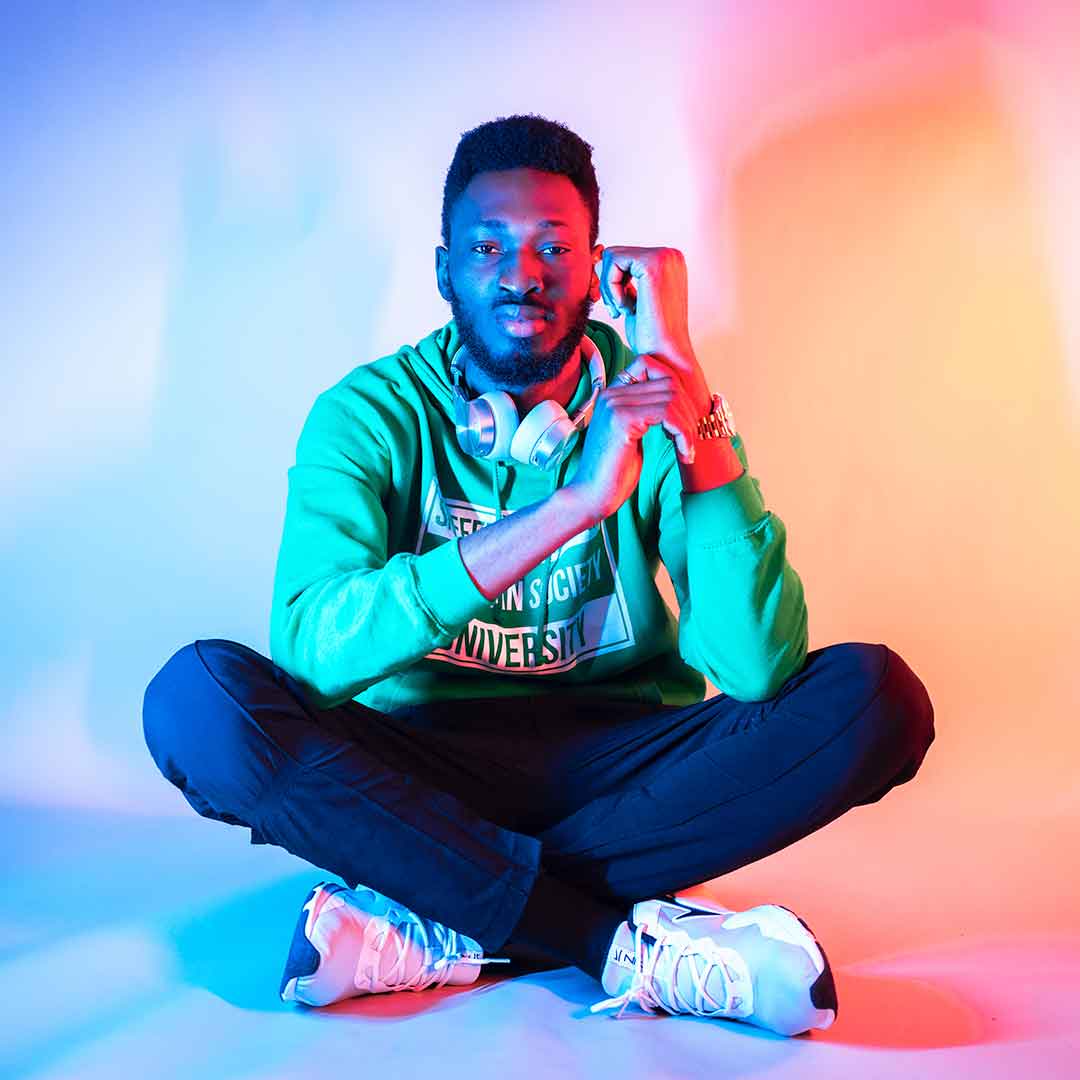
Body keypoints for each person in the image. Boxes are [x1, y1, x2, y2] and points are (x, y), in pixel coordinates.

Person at [143, 114, 935, 1037]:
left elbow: (757, 669)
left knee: (878, 699)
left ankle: (441, 910)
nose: (522, 274)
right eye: (488, 247)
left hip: (619, 767)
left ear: (598, 270)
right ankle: (612, 941)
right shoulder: (366, 414)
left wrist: (692, 408)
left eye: (554, 247)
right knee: (198, 701)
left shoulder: (649, 406)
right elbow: (312, 653)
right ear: (445, 272)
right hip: (421, 765)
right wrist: (570, 506)